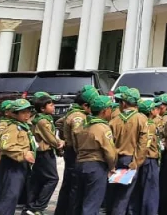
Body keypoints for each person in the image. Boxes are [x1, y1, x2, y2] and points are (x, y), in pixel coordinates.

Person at [74, 95, 118, 215]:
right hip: (96, 166)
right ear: (104, 111)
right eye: (110, 108)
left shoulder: (82, 125)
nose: (111, 111)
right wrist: (112, 167)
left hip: (80, 164)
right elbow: (110, 152)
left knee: (79, 200)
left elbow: (75, 145)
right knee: (92, 202)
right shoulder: (103, 128)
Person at [55, 86, 95, 215]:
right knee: (74, 186)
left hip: (71, 151)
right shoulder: (79, 116)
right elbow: (78, 134)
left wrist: (64, 137)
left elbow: (60, 123)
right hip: (75, 153)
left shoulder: (72, 112)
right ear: (85, 105)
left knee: (69, 184)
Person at [0, 99, 36, 215]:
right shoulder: (12, 127)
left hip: (20, 165)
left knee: (13, 195)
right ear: (14, 114)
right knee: (9, 195)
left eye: (28, 112)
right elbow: (6, 145)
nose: (27, 115)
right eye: (23, 112)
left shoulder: (23, 126)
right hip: (12, 165)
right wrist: (23, 153)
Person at [108, 87, 145, 215]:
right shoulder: (141, 119)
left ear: (123, 103)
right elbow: (143, 144)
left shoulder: (114, 121)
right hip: (131, 160)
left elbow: (109, 144)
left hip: (116, 159)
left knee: (114, 193)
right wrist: (136, 162)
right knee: (124, 196)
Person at [26, 92, 63, 215]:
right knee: (53, 179)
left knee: (37, 179)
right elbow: (50, 138)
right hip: (44, 153)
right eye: (51, 105)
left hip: (42, 153)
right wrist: (60, 144)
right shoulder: (42, 121)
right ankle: (38, 207)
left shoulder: (43, 119)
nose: (53, 107)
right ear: (42, 108)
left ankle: (30, 206)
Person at [132, 100, 163, 215]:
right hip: (149, 159)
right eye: (155, 108)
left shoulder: (140, 122)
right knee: (151, 191)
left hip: (141, 158)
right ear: (151, 111)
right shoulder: (149, 125)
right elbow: (147, 144)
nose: (157, 110)